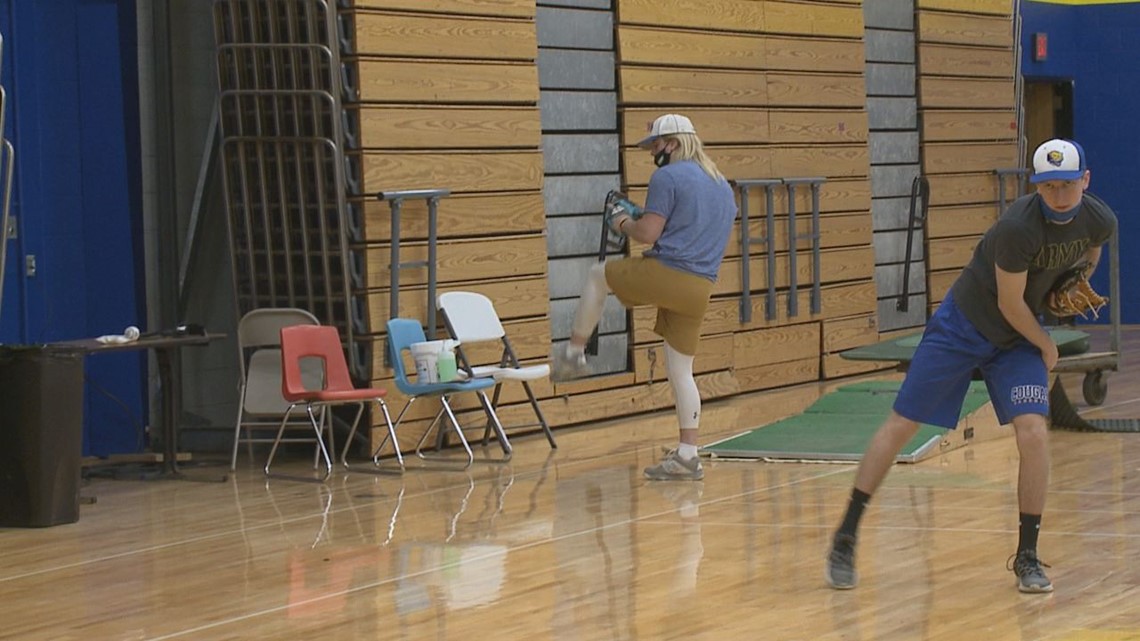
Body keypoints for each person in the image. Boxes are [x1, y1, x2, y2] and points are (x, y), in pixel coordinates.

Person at [825, 138, 1117, 593]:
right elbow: (1010, 303)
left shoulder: (1100, 219)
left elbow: (1093, 250)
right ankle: (846, 533)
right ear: (1035, 186)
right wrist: (1047, 342)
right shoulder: (1018, 228)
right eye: (1047, 187)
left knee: (1034, 432)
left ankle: (1028, 556)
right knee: (904, 423)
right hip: (966, 327)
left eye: (1066, 185)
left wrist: (1076, 281)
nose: (1058, 196)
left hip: (1014, 343)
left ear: (1085, 180)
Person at [551, 113, 737, 481]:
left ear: (672, 143)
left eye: (655, 145)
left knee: (597, 275)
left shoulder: (666, 176)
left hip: (669, 273)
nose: (653, 152)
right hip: (701, 287)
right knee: (681, 371)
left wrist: (623, 222)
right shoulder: (721, 184)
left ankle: (573, 354)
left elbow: (648, 234)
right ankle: (687, 455)